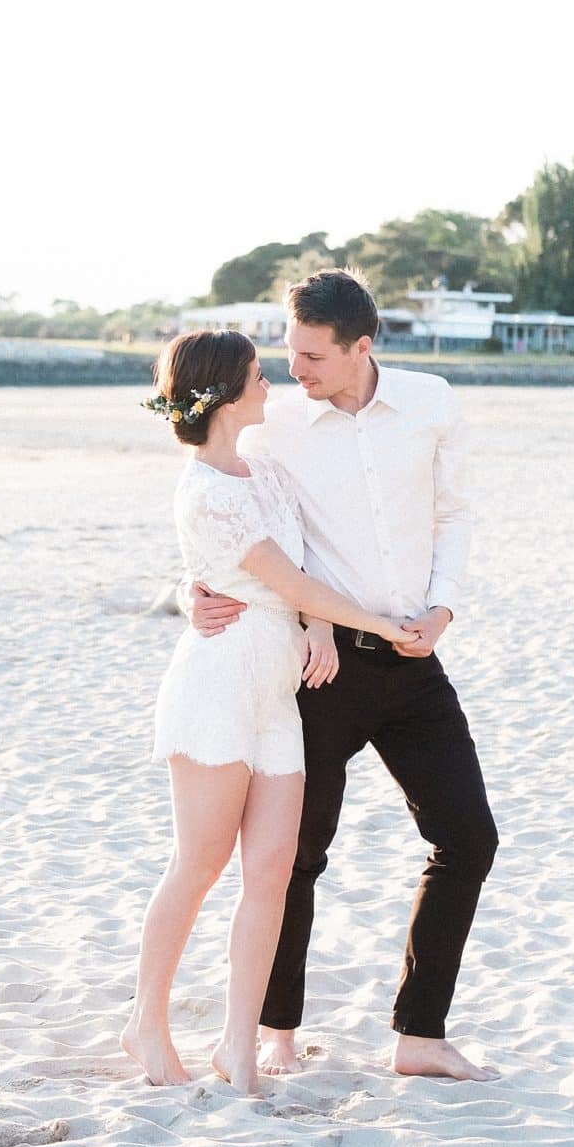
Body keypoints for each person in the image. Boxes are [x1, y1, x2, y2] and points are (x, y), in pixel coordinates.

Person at [187, 269, 499, 1082]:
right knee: (293, 855)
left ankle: (419, 1036)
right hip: (319, 668)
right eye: (290, 352)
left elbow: (453, 512)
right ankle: (275, 1030)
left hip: (414, 656)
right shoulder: (274, 421)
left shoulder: (430, 402)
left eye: (314, 356)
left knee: (468, 838)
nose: (297, 369)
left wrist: (444, 607)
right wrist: (195, 588)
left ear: (363, 348)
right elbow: (216, 500)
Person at [121, 328, 419, 1095]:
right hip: (218, 687)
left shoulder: (265, 475)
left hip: (276, 700)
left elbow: (304, 571)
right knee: (198, 865)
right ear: (223, 393)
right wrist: (376, 625)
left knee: (272, 874)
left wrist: (320, 624)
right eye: (257, 375)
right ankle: (145, 1023)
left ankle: (237, 1045)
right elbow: (284, 578)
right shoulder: (204, 491)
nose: (271, 384)